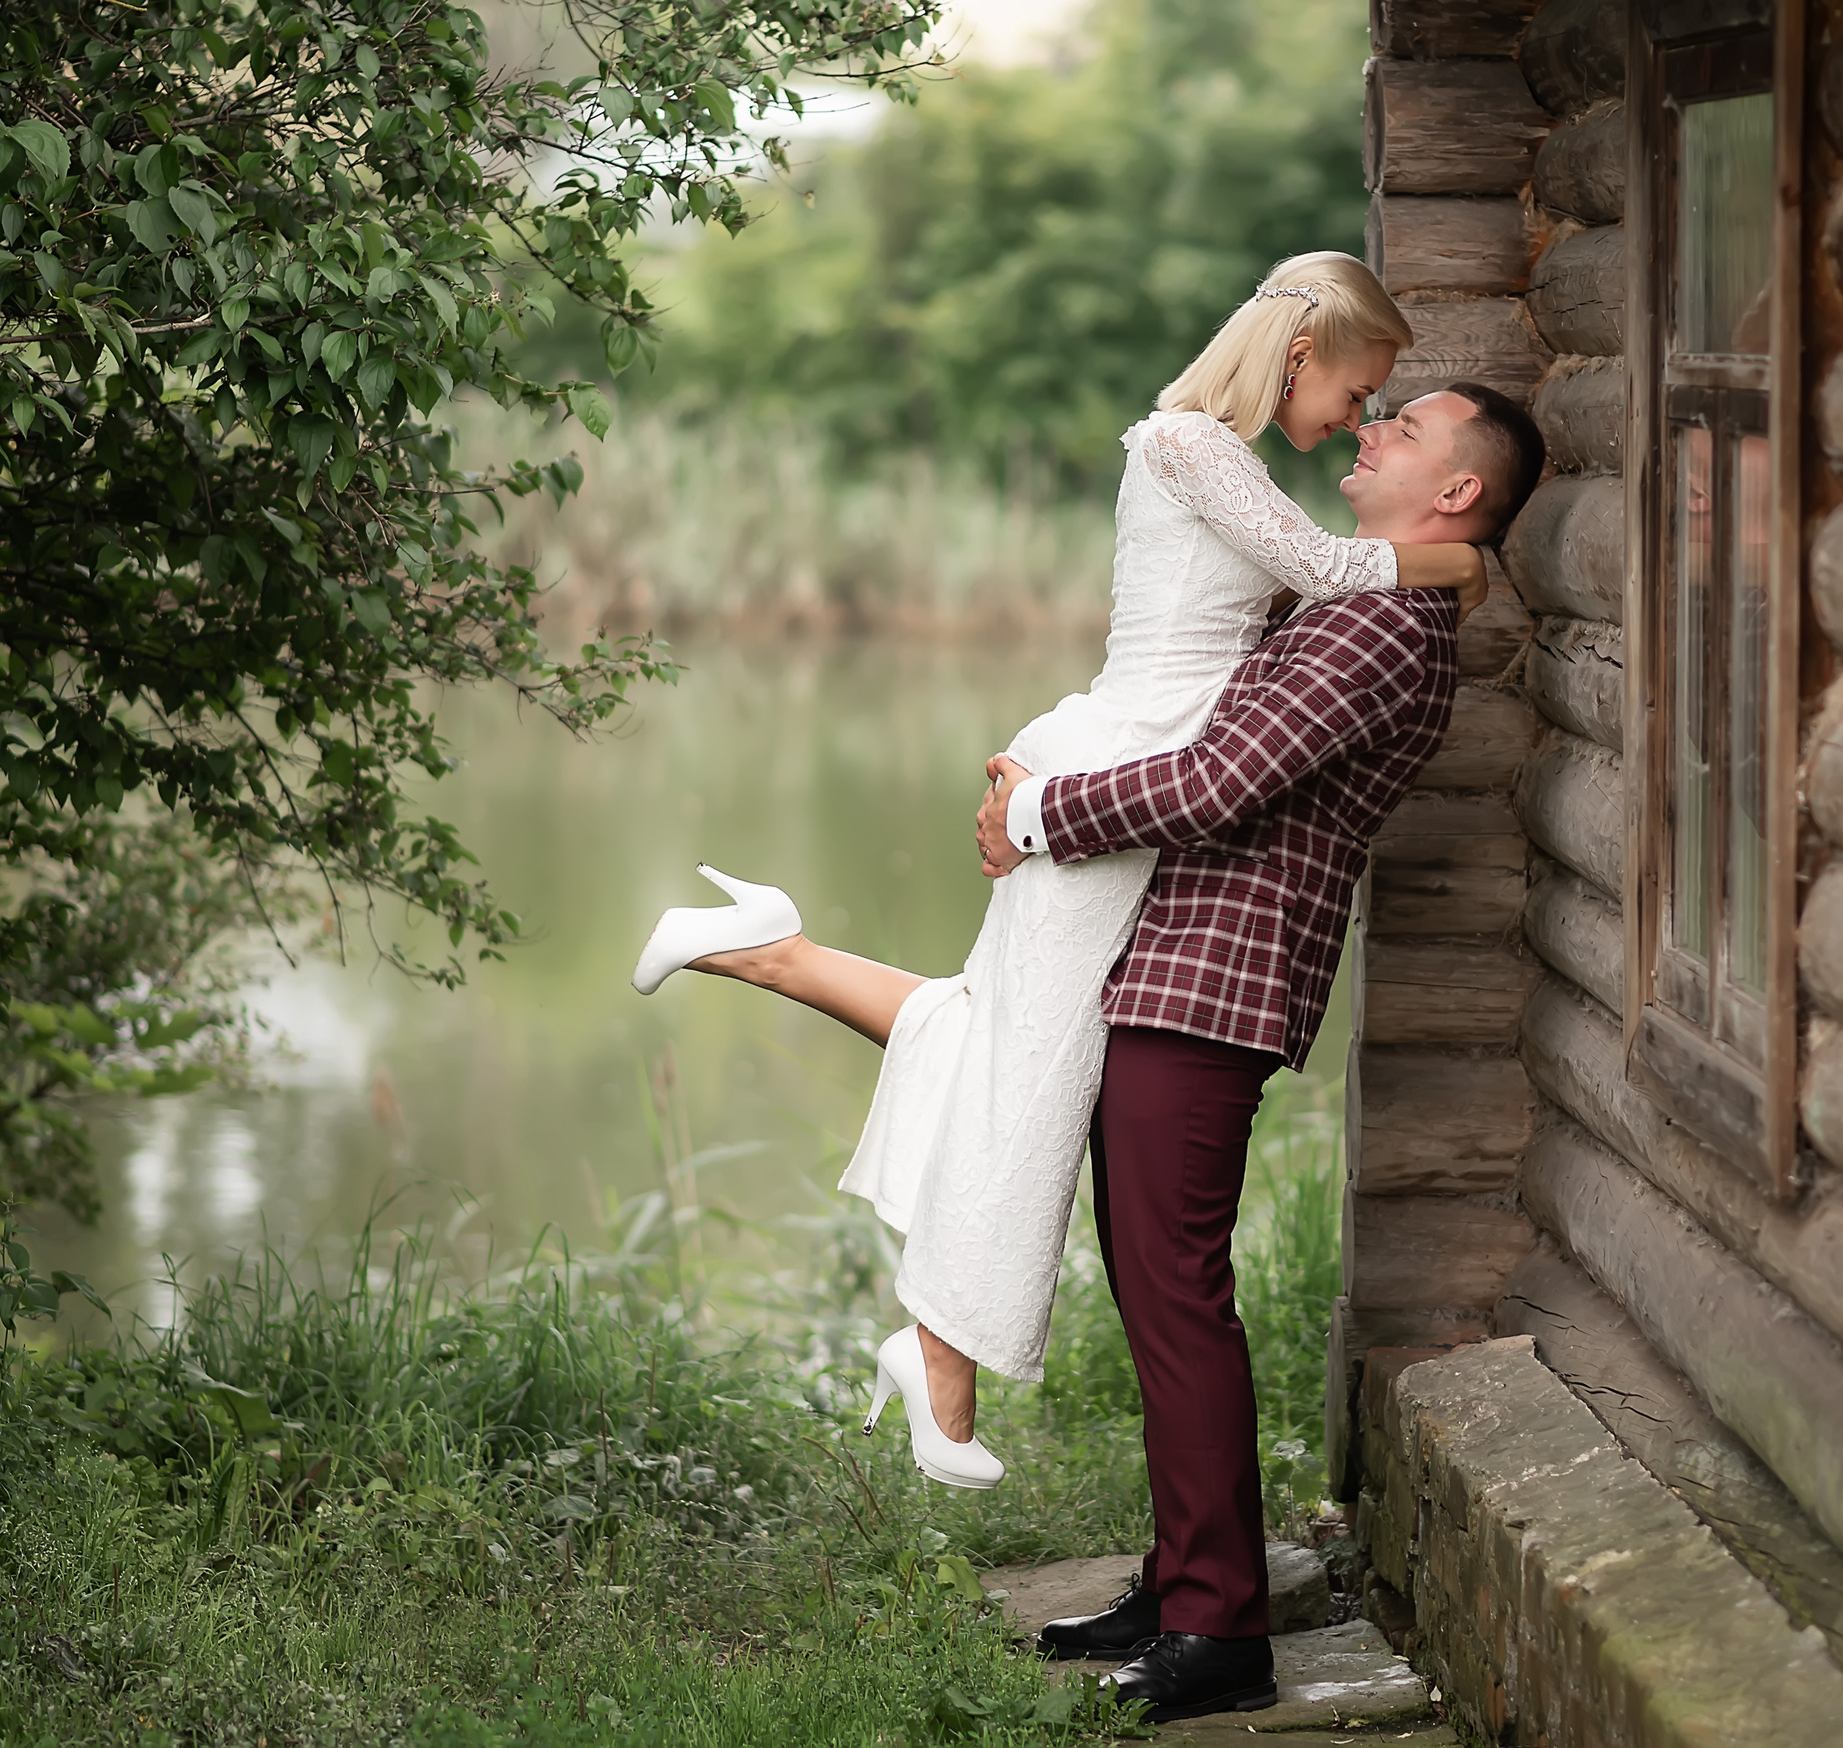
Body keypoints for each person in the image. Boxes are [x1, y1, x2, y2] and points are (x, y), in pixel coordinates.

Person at [629, 249, 1495, 1494]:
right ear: (1299, 355)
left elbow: (1272, 632)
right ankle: (940, 1359)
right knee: (1028, 1067)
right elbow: (1322, 574)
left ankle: (769, 948)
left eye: (1382, 413)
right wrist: (1460, 564)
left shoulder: (1238, 472)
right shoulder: (1190, 444)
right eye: (1360, 392)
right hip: (1115, 771)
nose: (1358, 419)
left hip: (1119, 778)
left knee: (1000, 1035)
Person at [986, 382, 1544, 1721]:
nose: (1371, 429)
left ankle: (1219, 1630)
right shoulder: (1356, 596)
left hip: (1213, 983)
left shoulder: (1382, 625)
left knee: (1177, 1297)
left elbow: (1218, 782)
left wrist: (1042, 814)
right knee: (1157, 1293)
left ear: (1456, 490)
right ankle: (1183, 1580)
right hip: (1178, 965)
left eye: (1405, 428)